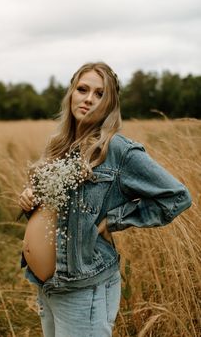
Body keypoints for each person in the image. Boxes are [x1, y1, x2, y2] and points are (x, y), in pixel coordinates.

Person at [18, 62, 192, 337]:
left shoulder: (117, 150)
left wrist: (113, 221)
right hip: (50, 285)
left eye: (99, 94)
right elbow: (57, 212)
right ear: (71, 93)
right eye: (83, 89)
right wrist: (31, 201)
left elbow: (177, 196)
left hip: (82, 287)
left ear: (110, 104)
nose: (88, 99)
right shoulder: (60, 145)